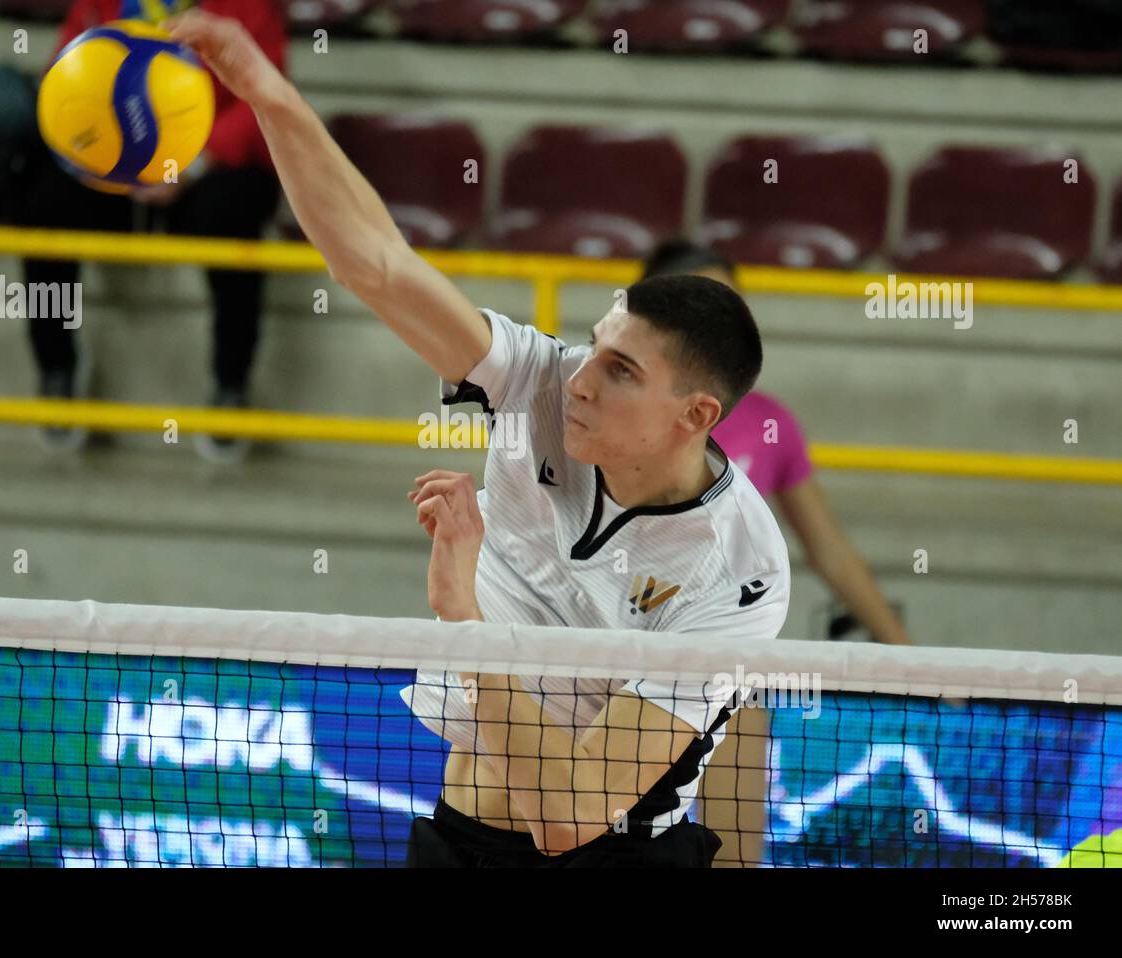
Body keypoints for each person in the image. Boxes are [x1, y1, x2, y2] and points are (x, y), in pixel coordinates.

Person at [167, 10, 790, 866]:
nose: (579, 379)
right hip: (460, 839)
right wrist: (270, 93)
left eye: (622, 373)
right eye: (595, 346)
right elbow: (375, 263)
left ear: (696, 416)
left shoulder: (739, 567)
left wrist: (460, 614)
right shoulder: (536, 381)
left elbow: (571, 821)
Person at [22, 0, 287, 462]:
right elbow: (62, 79)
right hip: (113, 169)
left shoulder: (250, 6)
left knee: (232, 216)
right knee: (45, 206)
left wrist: (192, 160)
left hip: (209, 167)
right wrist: (105, 162)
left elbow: (265, 94)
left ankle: (230, 383)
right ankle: (57, 370)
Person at [642, 240, 912, 646]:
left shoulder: (769, 422)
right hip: (622, 633)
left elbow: (830, 552)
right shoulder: (609, 409)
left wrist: (912, 661)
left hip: (726, 645)